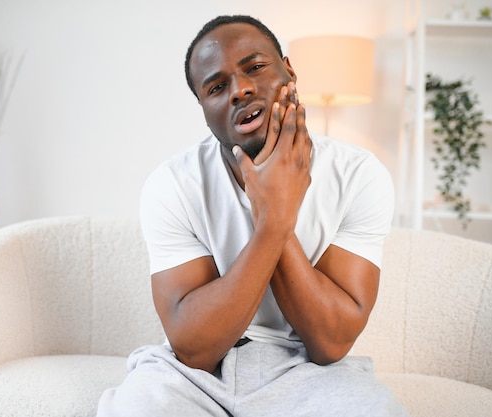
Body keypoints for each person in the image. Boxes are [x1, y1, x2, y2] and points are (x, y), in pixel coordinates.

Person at [96, 14, 410, 417]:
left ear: (289, 71)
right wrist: (273, 219)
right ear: (204, 108)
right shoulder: (172, 184)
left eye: (255, 67)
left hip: (310, 369)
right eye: (216, 87)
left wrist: (273, 205)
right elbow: (195, 348)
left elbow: (330, 343)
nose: (240, 90)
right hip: (198, 375)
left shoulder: (358, 175)